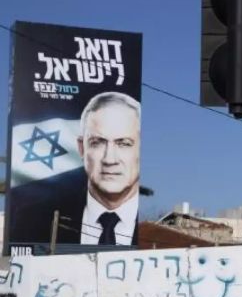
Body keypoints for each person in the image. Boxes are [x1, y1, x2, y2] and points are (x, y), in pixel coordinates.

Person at [8, 91, 142, 245]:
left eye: (124, 143)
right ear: (81, 148)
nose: (109, 159)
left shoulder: (157, 232)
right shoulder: (32, 219)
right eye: (97, 142)